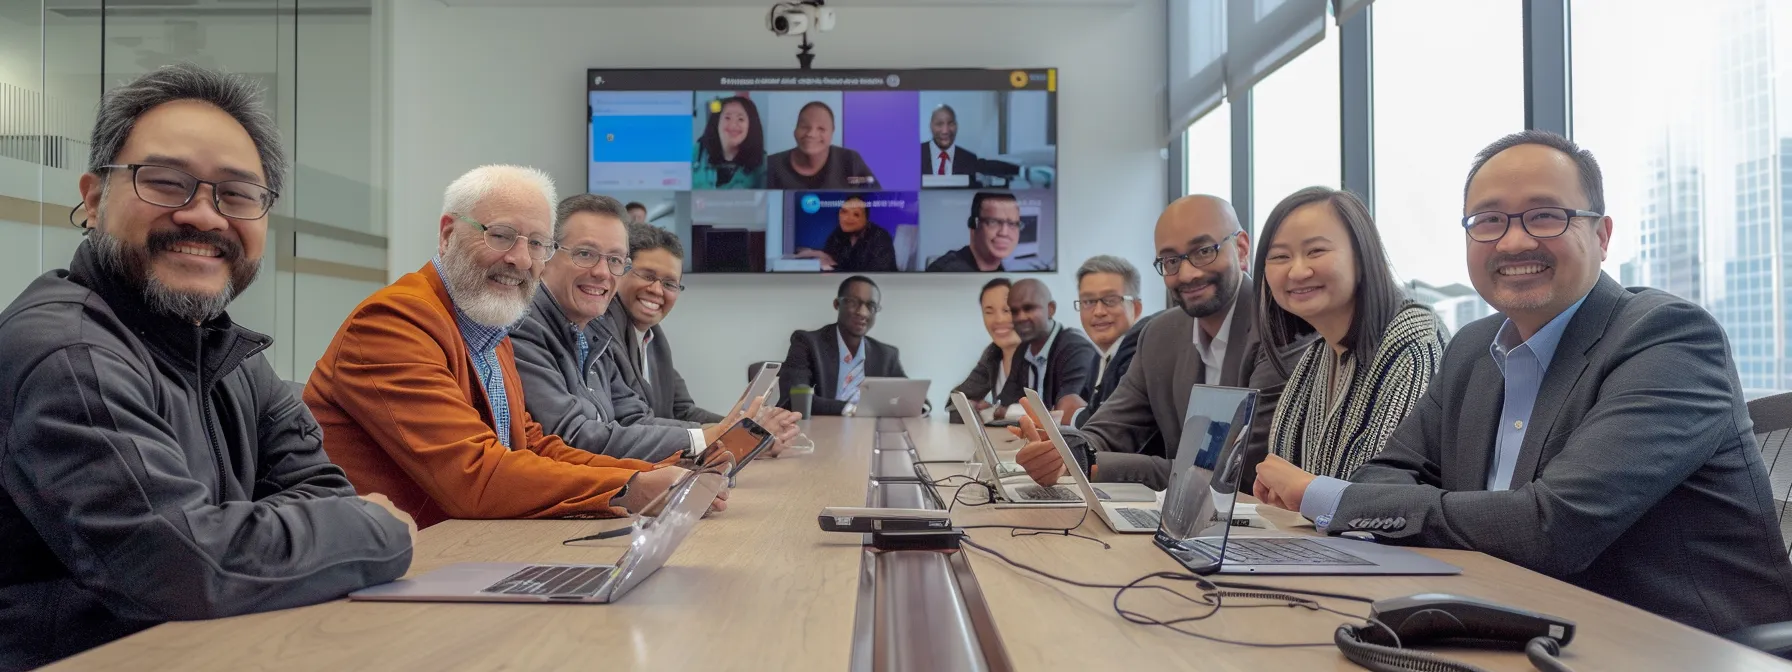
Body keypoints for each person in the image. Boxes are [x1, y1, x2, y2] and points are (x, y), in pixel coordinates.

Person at [1252, 131, 1792, 635]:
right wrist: (1474, 518)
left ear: (1602, 235)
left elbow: (1552, 527)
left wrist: (1324, 495)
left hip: (1670, 644)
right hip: (1504, 625)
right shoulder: (1471, 349)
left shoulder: (1666, 338)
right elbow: (1386, 474)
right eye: (1488, 222)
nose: (1513, 242)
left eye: (1545, 216)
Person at [0, 64, 413, 671]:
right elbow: (187, 569)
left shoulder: (228, 354)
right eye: (165, 183)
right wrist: (380, 528)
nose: (204, 216)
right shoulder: (69, 354)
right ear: (93, 199)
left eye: (237, 194)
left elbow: (324, 495)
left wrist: (240, 536)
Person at [306, 166, 721, 530]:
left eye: (537, 243)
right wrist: (631, 488)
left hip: (468, 549)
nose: (521, 260)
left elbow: (535, 446)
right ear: (447, 233)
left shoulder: (489, 327)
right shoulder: (394, 323)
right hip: (400, 569)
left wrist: (664, 472)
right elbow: (473, 475)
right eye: (501, 236)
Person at [1011, 195, 1307, 490]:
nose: (1188, 273)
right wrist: (1060, 451)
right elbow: (1109, 431)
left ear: (1242, 249)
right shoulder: (1160, 334)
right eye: (1171, 260)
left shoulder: (1280, 327)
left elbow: (1234, 473)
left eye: (1204, 251)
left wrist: (1087, 462)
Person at [511, 194, 797, 463]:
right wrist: (715, 436)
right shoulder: (524, 324)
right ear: (545, 254)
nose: (601, 272)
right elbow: (572, 438)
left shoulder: (595, 332)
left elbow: (630, 417)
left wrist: (733, 432)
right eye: (585, 254)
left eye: (614, 260)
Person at [1254, 187, 1444, 480]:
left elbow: (1381, 489)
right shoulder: (1317, 354)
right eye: (1280, 256)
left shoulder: (1414, 344)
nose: (1297, 271)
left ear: (1362, 254)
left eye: (1316, 251)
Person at [609, 222, 726, 423]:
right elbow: (631, 423)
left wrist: (749, 427)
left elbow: (684, 412)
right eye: (647, 276)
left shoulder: (655, 339)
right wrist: (730, 435)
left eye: (669, 284)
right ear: (621, 269)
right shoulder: (602, 333)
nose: (656, 290)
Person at [777, 276, 910, 416]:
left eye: (871, 306)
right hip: (820, 431)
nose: (862, 312)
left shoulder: (886, 355)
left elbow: (911, 397)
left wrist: (920, 406)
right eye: (853, 303)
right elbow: (796, 400)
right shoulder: (807, 343)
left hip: (867, 431)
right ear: (837, 304)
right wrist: (852, 409)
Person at [1062, 255, 1156, 430]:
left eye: (1111, 300)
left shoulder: (1140, 358)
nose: (1098, 311)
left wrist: (1074, 416)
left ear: (1136, 308)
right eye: (1088, 301)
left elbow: (1118, 428)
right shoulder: (1099, 359)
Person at [1005, 278, 1098, 413]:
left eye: (1029, 308)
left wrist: (1009, 411)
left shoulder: (1076, 348)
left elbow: (1066, 411)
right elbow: (1006, 402)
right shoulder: (1022, 350)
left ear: (1051, 309)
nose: (1020, 317)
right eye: (1014, 311)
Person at [948, 278, 1023, 423]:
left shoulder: (1044, 352)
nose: (999, 319)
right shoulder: (993, 353)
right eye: (989, 312)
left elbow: (1051, 414)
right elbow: (956, 404)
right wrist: (980, 410)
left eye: (1007, 310)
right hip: (1004, 442)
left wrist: (998, 413)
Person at [765, 101, 878, 190]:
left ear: (832, 132)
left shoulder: (850, 160)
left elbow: (875, 201)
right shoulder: (770, 165)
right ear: (795, 129)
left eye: (821, 128)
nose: (811, 134)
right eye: (804, 127)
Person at [794, 194, 898, 272]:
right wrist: (815, 254)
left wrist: (833, 266)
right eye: (844, 212)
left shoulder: (880, 237)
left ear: (866, 219)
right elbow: (830, 255)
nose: (847, 219)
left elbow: (877, 273)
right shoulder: (839, 233)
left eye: (856, 214)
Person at [926, 191, 1021, 272]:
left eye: (1012, 224)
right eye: (993, 222)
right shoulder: (949, 272)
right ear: (973, 225)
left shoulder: (999, 271)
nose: (1004, 233)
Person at [691, 96, 766, 189]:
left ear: (751, 125)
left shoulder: (763, 164)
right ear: (717, 122)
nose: (733, 125)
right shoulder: (697, 152)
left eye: (740, 119)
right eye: (727, 117)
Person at [920, 104, 981, 186]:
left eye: (950, 124)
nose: (945, 131)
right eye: (939, 124)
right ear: (931, 126)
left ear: (956, 126)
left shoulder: (969, 159)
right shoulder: (913, 155)